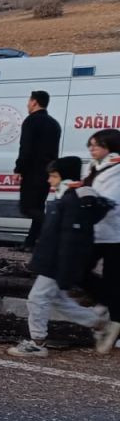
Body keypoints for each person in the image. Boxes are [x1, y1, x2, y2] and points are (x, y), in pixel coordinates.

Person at [7, 157, 112, 358]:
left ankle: (37, 342)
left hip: (56, 262)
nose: (49, 180)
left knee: (37, 299)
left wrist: (64, 268)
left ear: (64, 177)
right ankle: (98, 323)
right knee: (56, 299)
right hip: (54, 260)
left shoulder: (71, 201)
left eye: (53, 176)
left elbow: (68, 239)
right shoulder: (67, 198)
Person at [82, 128, 120, 353]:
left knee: (114, 278)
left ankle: (116, 325)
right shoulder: (94, 167)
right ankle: (105, 303)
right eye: (91, 144)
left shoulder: (117, 169)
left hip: (115, 234)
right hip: (96, 232)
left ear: (111, 147)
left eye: (97, 145)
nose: (92, 148)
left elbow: (108, 201)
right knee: (79, 271)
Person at [14, 90, 61, 250]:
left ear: (34, 102)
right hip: (47, 172)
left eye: (29, 101)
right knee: (39, 206)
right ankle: (31, 243)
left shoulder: (31, 121)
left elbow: (25, 148)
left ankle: (54, 227)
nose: (27, 104)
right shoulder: (54, 123)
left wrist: (19, 168)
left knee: (27, 208)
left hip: (32, 171)